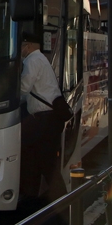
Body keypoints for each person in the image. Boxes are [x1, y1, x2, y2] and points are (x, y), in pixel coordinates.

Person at [19, 32, 69, 202]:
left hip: (44, 118)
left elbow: (23, 88)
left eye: (22, 45)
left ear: (29, 46)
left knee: (40, 158)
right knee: (35, 156)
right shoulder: (41, 59)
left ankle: (61, 199)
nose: (21, 49)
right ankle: (32, 194)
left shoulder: (32, 60)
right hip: (47, 117)